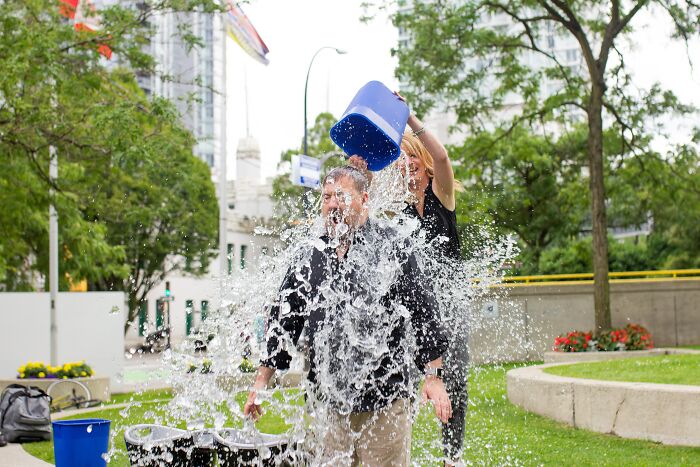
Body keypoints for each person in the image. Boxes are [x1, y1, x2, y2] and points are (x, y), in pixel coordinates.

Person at [244, 165, 451, 466]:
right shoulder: (310, 254)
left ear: (364, 199)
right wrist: (259, 384)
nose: (331, 204)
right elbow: (283, 322)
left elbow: (424, 313)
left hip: (385, 402)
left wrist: (433, 378)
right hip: (328, 405)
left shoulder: (391, 246)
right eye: (326, 197)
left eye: (340, 196)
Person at [398, 95, 469, 467]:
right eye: (403, 159)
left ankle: (451, 459)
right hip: (418, 309)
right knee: (404, 379)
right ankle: (396, 453)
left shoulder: (443, 195)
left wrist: (408, 117)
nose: (408, 165)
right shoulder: (400, 213)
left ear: (423, 166)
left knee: (454, 379)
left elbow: (442, 157)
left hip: (452, 304)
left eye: (413, 158)